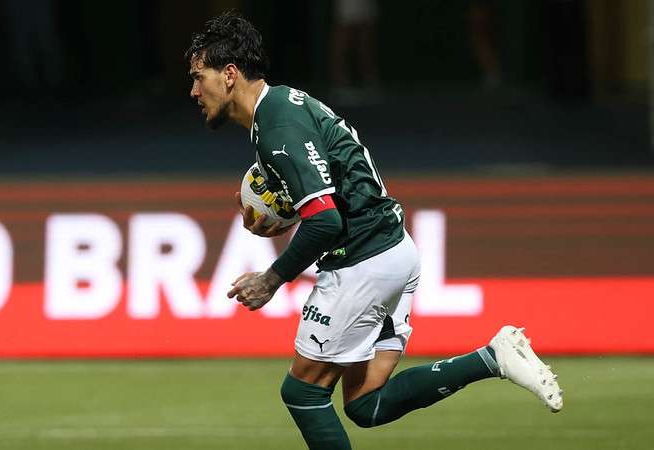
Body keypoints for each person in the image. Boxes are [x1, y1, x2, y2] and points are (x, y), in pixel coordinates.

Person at [185, 12, 563, 450]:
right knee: (366, 404)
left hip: (362, 260)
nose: (194, 91)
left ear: (229, 75)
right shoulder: (285, 104)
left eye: (199, 77)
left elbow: (324, 219)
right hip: (395, 251)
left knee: (302, 391)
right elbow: (327, 189)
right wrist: (278, 207)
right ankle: (492, 357)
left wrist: (271, 280)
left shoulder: (278, 128)